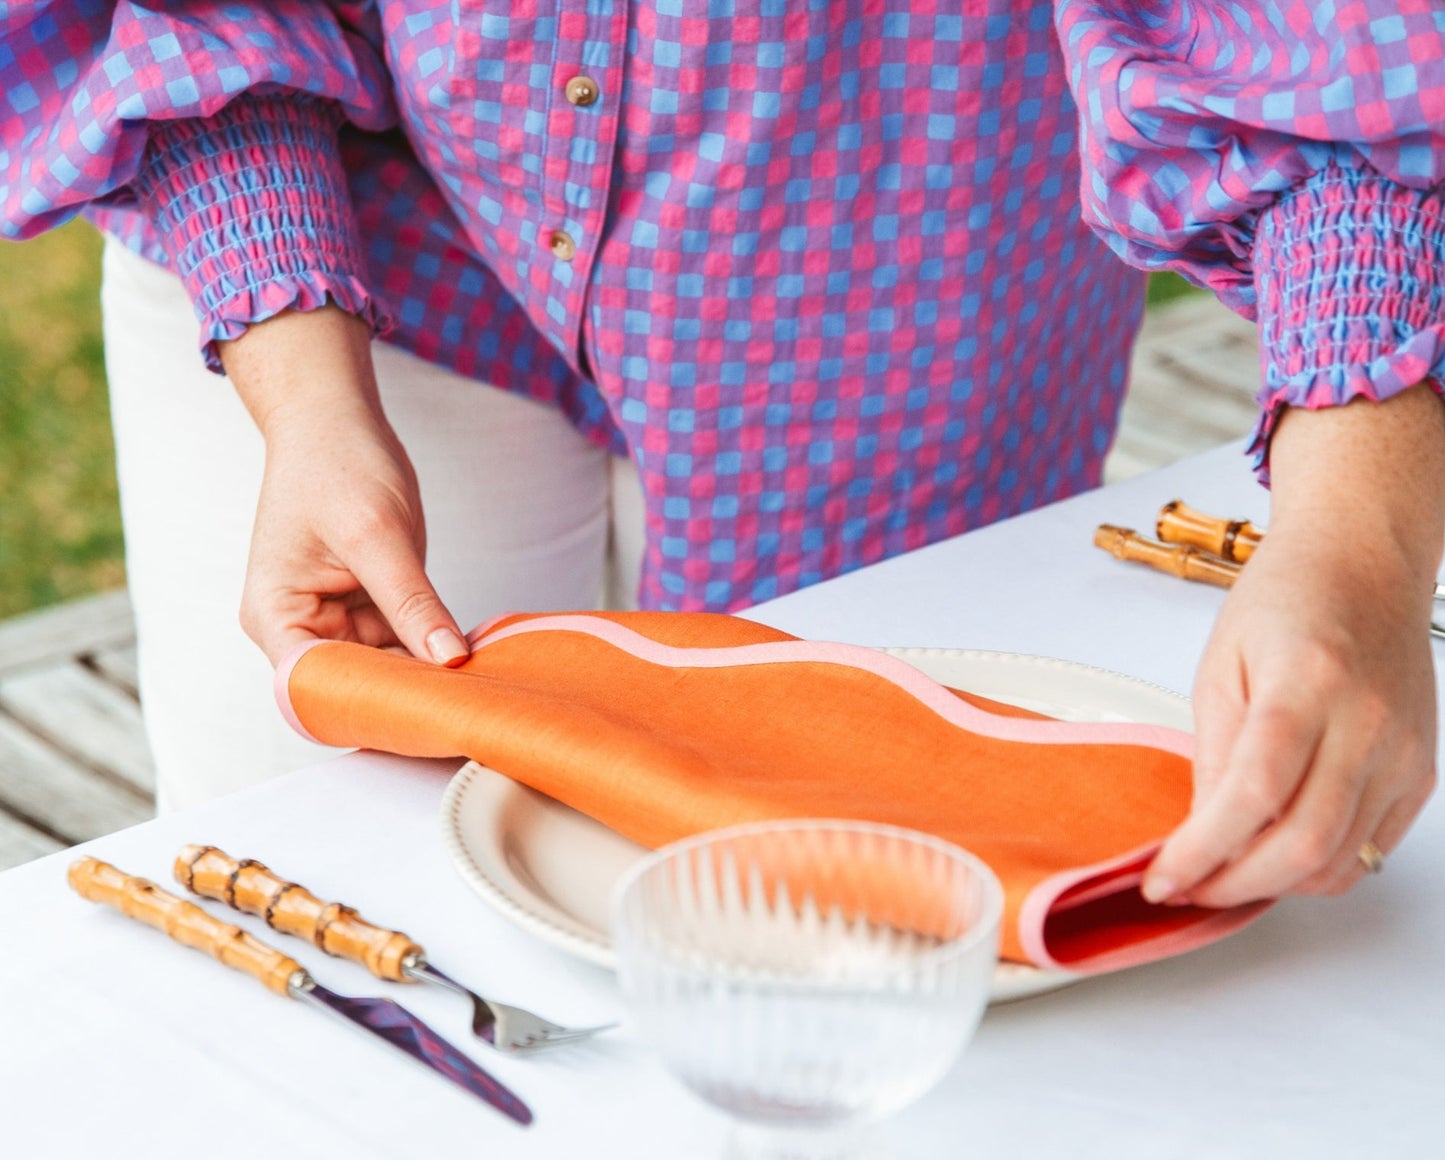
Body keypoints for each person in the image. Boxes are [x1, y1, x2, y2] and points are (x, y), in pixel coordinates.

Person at [2, 2, 1440, 911]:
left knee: (857, 926)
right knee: (336, 905)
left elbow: (1347, 40)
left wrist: (1357, 536)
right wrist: (299, 380)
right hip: (360, 258)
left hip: (902, 276)